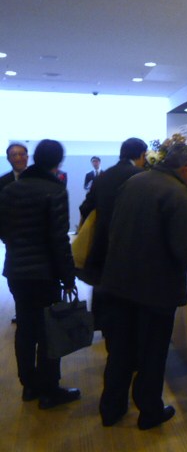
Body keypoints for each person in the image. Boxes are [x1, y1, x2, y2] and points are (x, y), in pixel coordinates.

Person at [98, 143, 187, 430]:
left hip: (118, 281)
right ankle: (149, 412)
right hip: (155, 288)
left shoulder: (134, 182)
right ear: (186, 168)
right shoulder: (176, 192)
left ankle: (111, 409)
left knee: (120, 350)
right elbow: (185, 248)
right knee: (152, 353)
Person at [0, 139, 80, 409]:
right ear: (58, 161)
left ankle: (29, 386)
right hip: (45, 273)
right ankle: (49, 390)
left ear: (33, 157)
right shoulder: (55, 190)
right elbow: (59, 239)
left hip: (16, 270)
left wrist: (16, 246)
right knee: (49, 330)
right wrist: (68, 276)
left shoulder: (10, 189)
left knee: (25, 329)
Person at [78, 138, 148, 330]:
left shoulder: (103, 176)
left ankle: (106, 330)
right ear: (142, 155)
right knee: (129, 303)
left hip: (103, 244)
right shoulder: (142, 177)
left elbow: (85, 207)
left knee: (106, 293)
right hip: (132, 247)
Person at [1, 142, 29, 324]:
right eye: (14, 155)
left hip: (38, 239)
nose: (18, 158)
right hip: (14, 240)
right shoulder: (2, 182)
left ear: (27, 157)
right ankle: (22, 313)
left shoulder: (38, 179)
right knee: (16, 280)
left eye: (21, 154)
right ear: (9, 158)